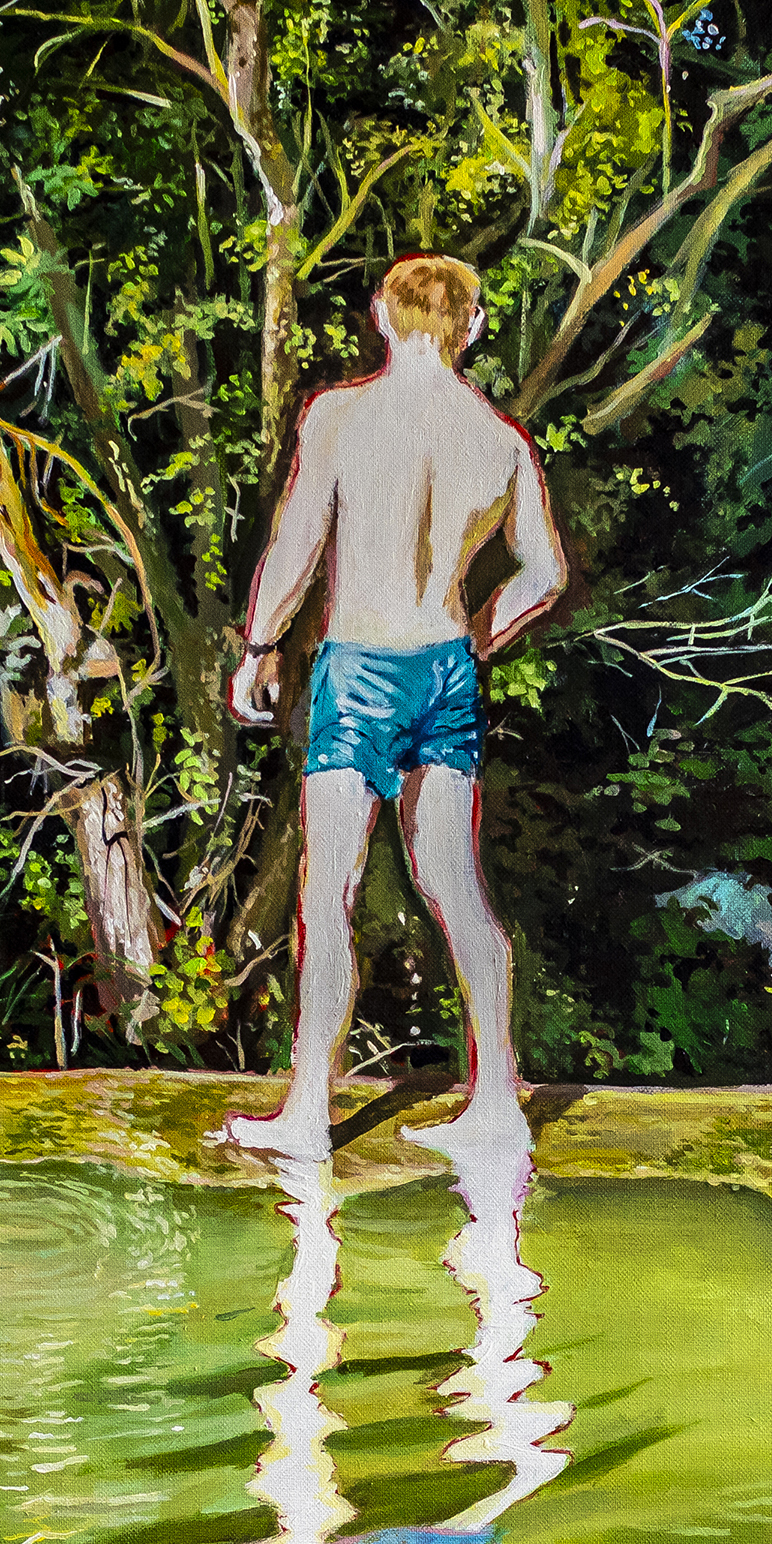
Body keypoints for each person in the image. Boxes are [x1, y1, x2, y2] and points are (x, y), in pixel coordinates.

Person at [219, 255, 569, 1161]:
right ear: (475, 326)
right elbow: (545, 572)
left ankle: (307, 1112)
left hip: (362, 669)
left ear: (382, 314)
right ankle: (495, 1104)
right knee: (454, 884)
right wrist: (478, 637)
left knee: (328, 895)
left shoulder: (340, 416)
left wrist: (260, 645)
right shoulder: (499, 441)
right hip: (443, 664)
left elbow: (299, 537)